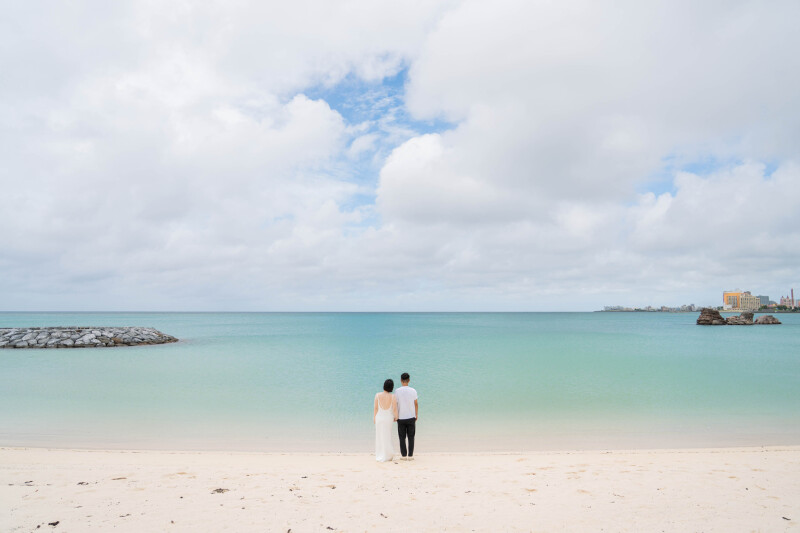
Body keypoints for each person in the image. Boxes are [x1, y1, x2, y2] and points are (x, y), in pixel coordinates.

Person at [394, 372, 418, 460]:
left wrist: (395, 415)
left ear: (401, 380)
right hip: (411, 416)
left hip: (400, 417)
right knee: (411, 437)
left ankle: (404, 455)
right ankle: (410, 455)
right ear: (409, 380)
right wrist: (416, 414)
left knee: (402, 437)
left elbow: (395, 404)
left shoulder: (397, 391)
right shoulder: (413, 390)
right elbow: (416, 404)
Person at [374, 378, 398, 462]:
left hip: (379, 418)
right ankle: (388, 454)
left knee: (380, 436)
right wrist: (396, 417)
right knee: (387, 436)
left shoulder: (377, 395)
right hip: (388, 418)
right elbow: (394, 409)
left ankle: (380, 454)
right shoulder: (393, 397)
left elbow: (376, 409)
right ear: (391, 387)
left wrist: (374, 419)